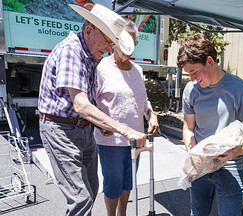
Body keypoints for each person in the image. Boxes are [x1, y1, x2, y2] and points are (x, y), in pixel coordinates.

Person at [38, 4, 147, 215]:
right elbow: (80, 104)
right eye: (108, 41)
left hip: (83, 130)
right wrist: (124, 129)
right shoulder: (72, 50)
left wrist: (99, 122)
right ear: (89, 30)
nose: (109, 49)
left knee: (92, 189)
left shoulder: (91, 55)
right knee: (81, 199)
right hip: (60, 129)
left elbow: (89, 99)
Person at [178, 33, 243, 216]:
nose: (191, 79)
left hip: (231, 166)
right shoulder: (191, 90)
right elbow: (188, 127)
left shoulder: (241, 90)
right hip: (201, 165)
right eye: (188, 73)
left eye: (194, 72)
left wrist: (237, 151)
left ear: (209, 61)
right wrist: (192, 151)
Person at [94, 19, 159, 216]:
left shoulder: (137, 70)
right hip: (110, 140)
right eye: (124, 45)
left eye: (133, 45)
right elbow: (90, 103)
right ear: (115, 42)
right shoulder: (101, 68)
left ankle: (123, 214)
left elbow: (144, 100)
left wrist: (152, 114)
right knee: (113, 185)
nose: (129, 51)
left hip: (136, 139)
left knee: (128, 182)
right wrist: (98, 125)